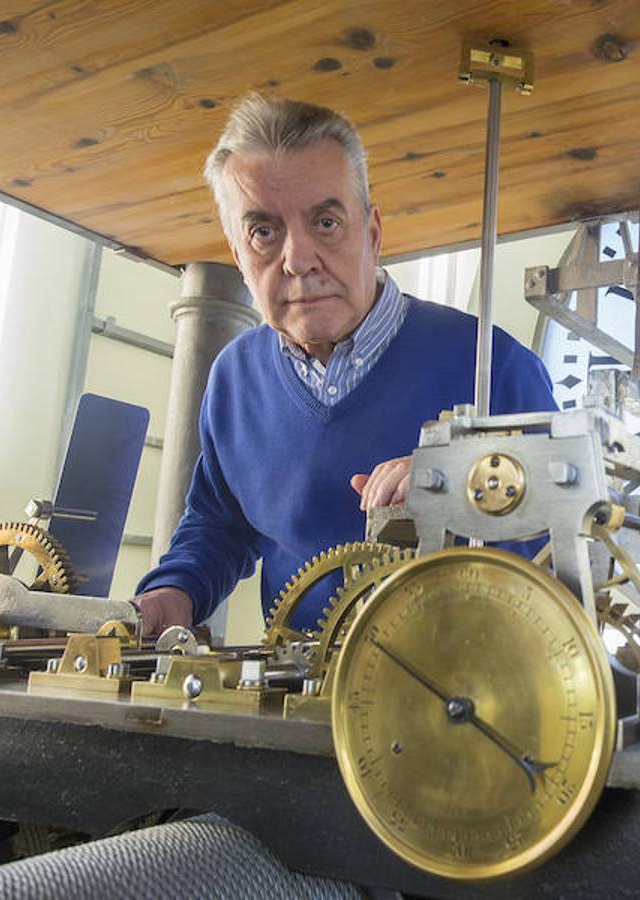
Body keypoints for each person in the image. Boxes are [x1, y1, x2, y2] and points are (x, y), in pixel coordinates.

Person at [132, 94, 556, 636]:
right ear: (239, 257)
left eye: (326, 222)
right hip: (293, 700)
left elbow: (569, 535)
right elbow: (219, 523)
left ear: (373, 234)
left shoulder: (495, 367)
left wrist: (466, 483)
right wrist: (175, 590)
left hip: (469, 698)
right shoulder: (233, 379)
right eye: (263, 232)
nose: (297, 259)